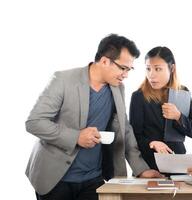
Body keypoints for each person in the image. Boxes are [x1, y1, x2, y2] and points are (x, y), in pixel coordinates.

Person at [25, 34, 162, 200]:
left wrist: (141, 169)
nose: (126, 74)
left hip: (94, 179)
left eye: (129, 69)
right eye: (123, 68)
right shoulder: (63, 80)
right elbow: (34, 122)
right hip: (55, 179)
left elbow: (124, 129)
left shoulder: (118, 88)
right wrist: (76, 137)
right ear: (104, 61)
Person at [129, 46, 192, 172]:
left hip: (178, 164)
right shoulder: (139, 96)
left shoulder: (182, 92)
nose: (152, 75)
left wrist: (178, 116)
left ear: (172, 68)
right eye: (148, 69)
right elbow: (133, 136)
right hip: (150, 166)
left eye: (158, 69)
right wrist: (152, 142)